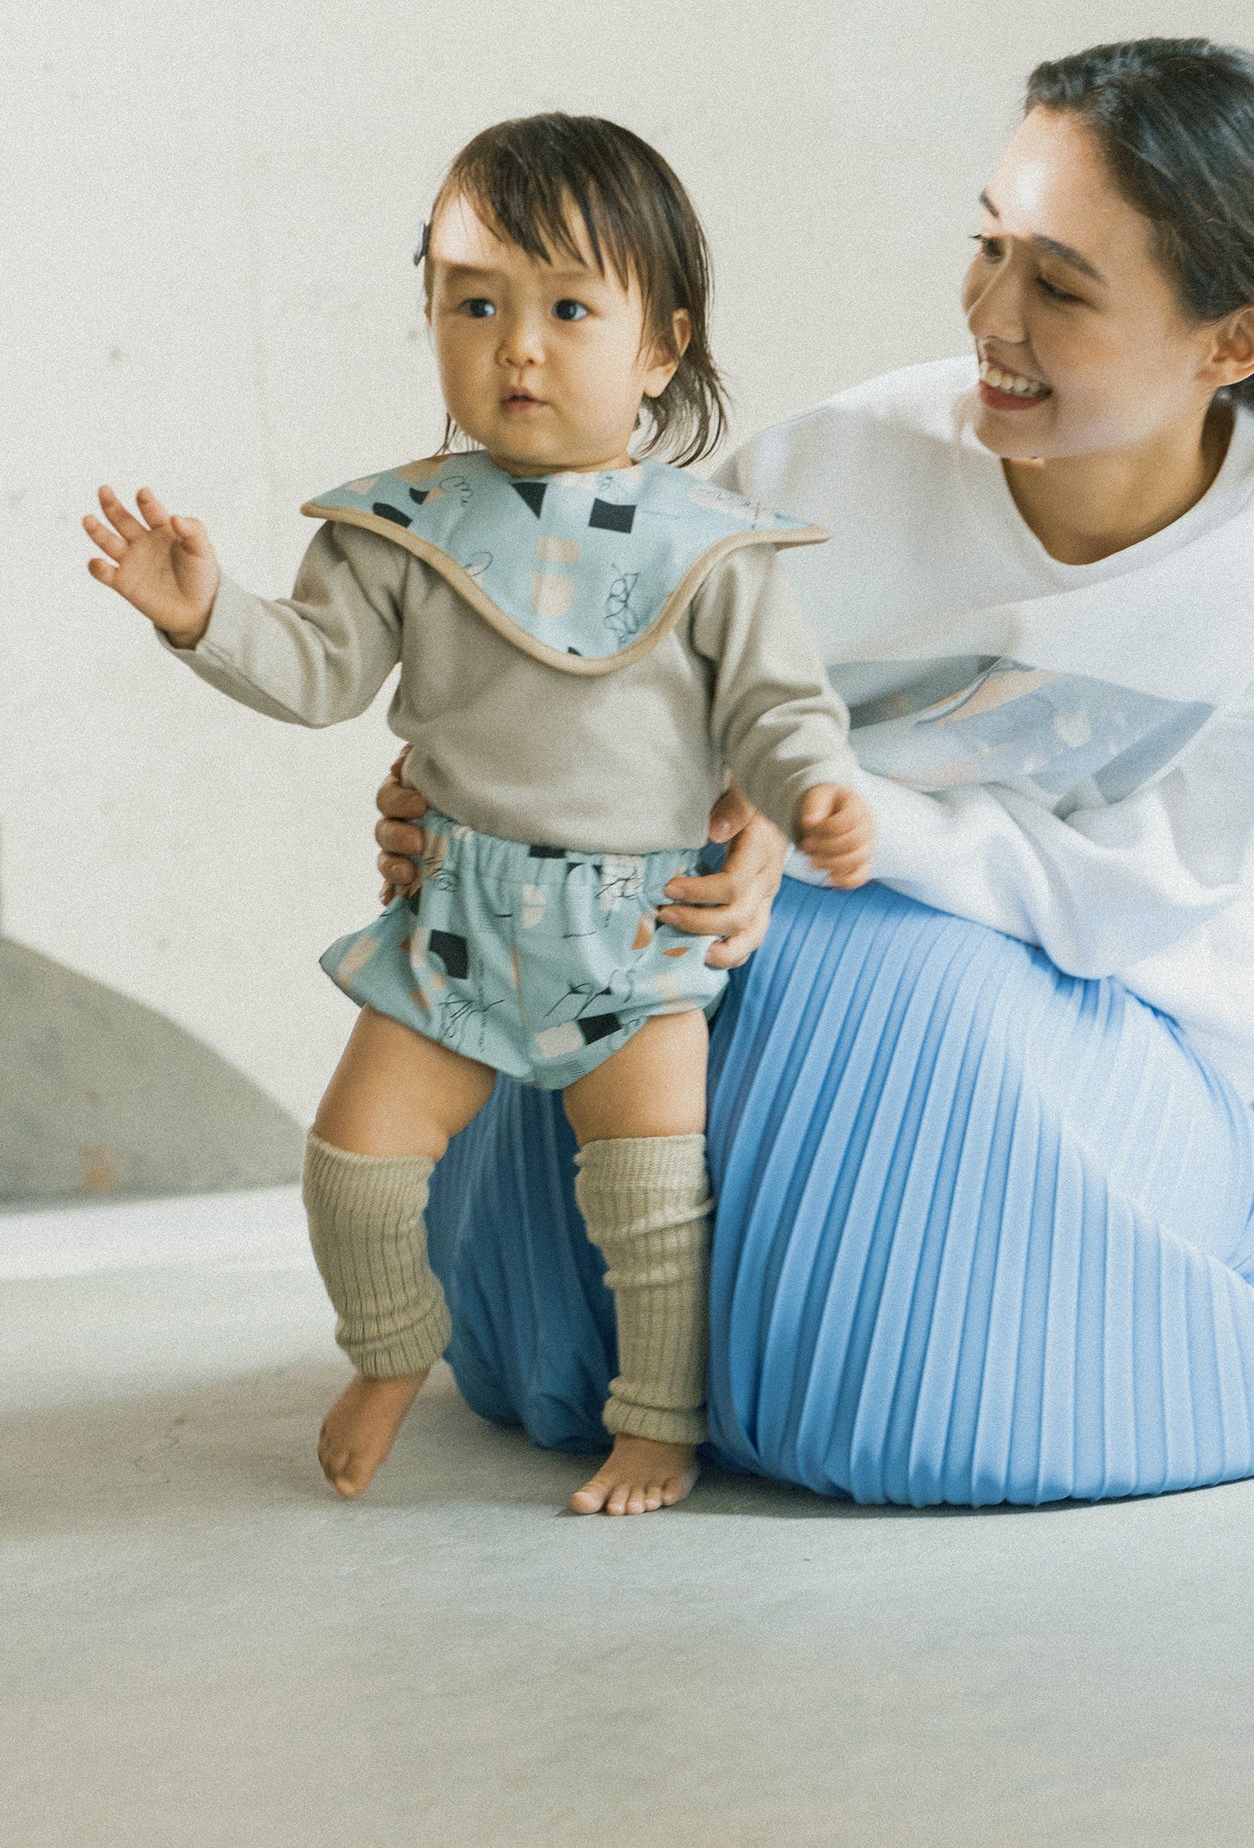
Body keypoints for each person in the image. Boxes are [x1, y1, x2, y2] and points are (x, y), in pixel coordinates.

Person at [379, 39, 1254, 1507]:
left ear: (1230, 342)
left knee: (891, 999)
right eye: (986, 245)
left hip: (1111, 1027)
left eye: (1061, 284)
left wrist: (831, 819)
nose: (989, 314)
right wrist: (465, 803)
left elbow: (1135, 900)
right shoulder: (821, 476)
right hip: (739, 968)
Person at [83, 113, 874, 1515]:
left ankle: (656, 1423)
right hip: (455, 923)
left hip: (636, 937)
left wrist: (812, 786)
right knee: (352, 1172)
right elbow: (320, 669)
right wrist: (207, 614)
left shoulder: (708, 549)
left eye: (569, 306)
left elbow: (776, 704)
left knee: (651, 1211)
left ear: (661, 343)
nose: (517, 345)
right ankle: (391, 1349)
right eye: (473, 303)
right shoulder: (403, 525)